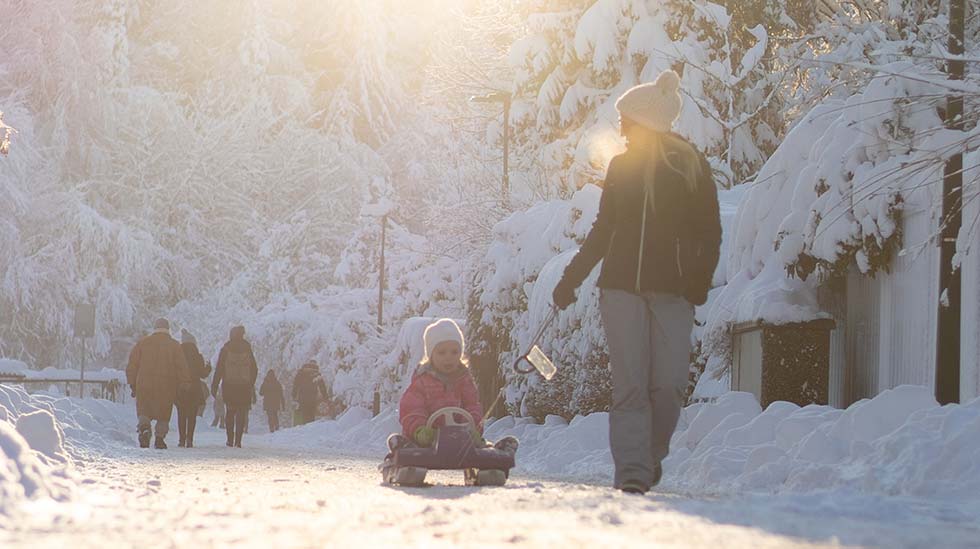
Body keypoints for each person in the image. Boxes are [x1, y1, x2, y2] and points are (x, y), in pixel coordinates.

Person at [551, 71, 721, 494]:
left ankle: (649, 457)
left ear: (645, 120)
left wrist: (700, 279)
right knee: (630, 385)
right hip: (620, 287)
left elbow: (709, 230)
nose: (621, 125)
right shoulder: (621, 167)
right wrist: (571, 279)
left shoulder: (689, 163)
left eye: (626, 118)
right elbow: (604, 228)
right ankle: (631, 471)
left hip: (675, 290)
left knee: (669, 385)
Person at [387, 318, 517, 455]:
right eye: (442, 353)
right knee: (413, 447)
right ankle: (404, 450)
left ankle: (496, 456)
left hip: (459, 438)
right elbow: (411, 408)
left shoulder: (465, 381)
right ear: (431, 355)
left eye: (454, 352)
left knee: (478, 446)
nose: (448, 357)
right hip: (427, 439)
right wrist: (419, 429)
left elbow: (472, 406)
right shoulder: (421, 382)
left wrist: (473, 428)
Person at [126, 318, 192, 449]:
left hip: (144, 384)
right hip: (166, 384)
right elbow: (182, 366)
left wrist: (132, 383)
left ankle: (144, 428)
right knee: (163, 412)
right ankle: (160, 438)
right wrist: (185, 382)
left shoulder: (143, 343)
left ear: (155, 328)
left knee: (144, 409)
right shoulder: (174, 345)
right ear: (168, 329)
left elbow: (132, 365)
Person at [211, 325, 258, 448]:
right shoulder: (247, 348)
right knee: (242, 412)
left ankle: (229, 439)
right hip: (244, 386)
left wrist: (215, 385)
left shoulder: (226, 348)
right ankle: (238, 440)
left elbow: (219, 368)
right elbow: (254, 368)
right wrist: (250, 383)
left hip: (229, 386)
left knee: (230, 412)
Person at [176, 329, 211, 448]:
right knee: (192, 415)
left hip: (181, 388)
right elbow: (202, 374)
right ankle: (189, 439)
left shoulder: (178, 354)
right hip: (194, 389)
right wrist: (208, 368)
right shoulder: (198, 356)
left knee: (181, 414)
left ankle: (181, 439)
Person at [292, 360, 327, 425]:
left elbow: (295, 385)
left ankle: (305, 426)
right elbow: (322, 386)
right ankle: (310, 427)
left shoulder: (301, 372)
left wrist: (294, 395)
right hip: (312, 396)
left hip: (302, 396)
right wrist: (325, 396)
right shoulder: (316, 373)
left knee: (304, 413)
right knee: (311, 413)